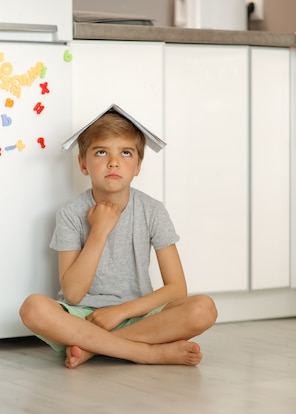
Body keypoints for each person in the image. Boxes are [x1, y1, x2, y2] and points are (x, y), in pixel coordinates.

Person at [19, 109, 217, 369]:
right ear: (82, 163)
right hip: (82, 320)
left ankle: (94, 348)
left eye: (125, 153)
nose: (113, 162)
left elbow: (177, 289)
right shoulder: (69, 213)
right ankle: (146, 353)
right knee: (33, 308)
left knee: (204, 308)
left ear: (138, 166)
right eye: (101, 152)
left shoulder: (152, 210)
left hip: (139, 316)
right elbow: (74, 294)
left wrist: (121, 312)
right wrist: (99, 231)